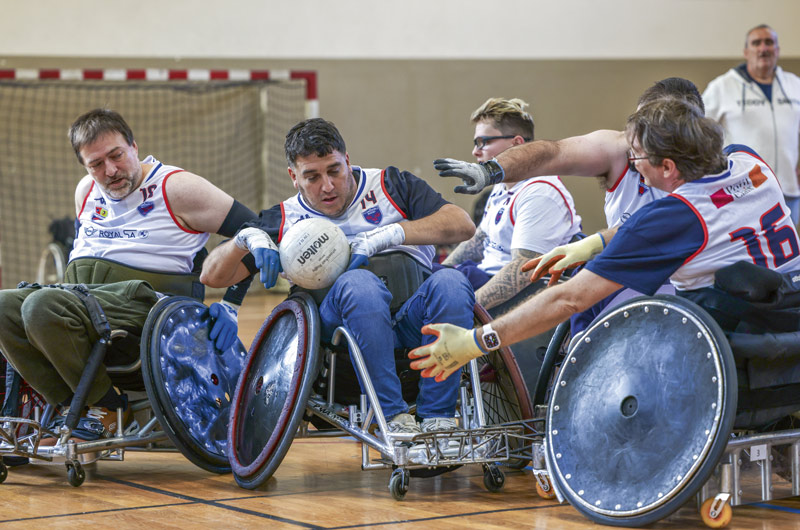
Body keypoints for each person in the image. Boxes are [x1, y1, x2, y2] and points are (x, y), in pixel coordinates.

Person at [409, 97, 800, 382]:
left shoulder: (676, 216)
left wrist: (477, 341)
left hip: (728, 344)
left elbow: (567, 298)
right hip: (787, 319)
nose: (634, 166)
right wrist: (593, 243)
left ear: (668, 166)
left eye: (638, 158)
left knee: (599, 336)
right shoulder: (749, 161)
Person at [200, 118, 476, 436]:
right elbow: (211, 276)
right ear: (293, 177)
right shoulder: (284, 218)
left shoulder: (391, 185)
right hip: (341, 341)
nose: (327, 186)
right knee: (359, 285)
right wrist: (243, 240)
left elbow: (462, 224)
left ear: (347, 159)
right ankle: (393, 418)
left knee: (453, 282)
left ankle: (439, 419)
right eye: (312, 177)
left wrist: (389, 235)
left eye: (334, 170)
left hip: (412, 322)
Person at [0, 108, 256, 442]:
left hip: (146, 313)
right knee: (3, 306)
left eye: (116, 155)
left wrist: (232, 304)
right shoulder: (85, 190)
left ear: (134, 146)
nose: (110, 170)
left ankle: (109, 408)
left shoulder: (177, 187)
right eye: (96, 164)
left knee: (41, 306)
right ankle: (71, 409)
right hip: (83, 303)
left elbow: (258, 231)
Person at [435, 78, 703, 331]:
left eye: (650, 131)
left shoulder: (714, 175)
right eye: (637, 128)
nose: (637, 142)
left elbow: (655, 225)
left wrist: (595, 243)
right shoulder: (620, 148)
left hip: (690, 285)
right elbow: (553, 152)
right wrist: (492, 170)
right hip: (626, 273)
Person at [440, 97, 581, 311]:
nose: (475, 152)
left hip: (505, 297)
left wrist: (465, 309)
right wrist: (439, 271)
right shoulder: (502, 185)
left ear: (516, 144)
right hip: (481, 279)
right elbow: (480, 238)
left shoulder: (540, 193)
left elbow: (522, 273)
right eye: (475, 143)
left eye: (483, 142)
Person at [703, 24, 800, 225]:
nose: (763, 48)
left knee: (787, 242)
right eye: (756, 43)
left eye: (769, 42)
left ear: (777, 50)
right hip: (745, 190)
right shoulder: (722, 87)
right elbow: (698, 131)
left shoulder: (794, 85)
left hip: (788, 189)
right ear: (746, 52)